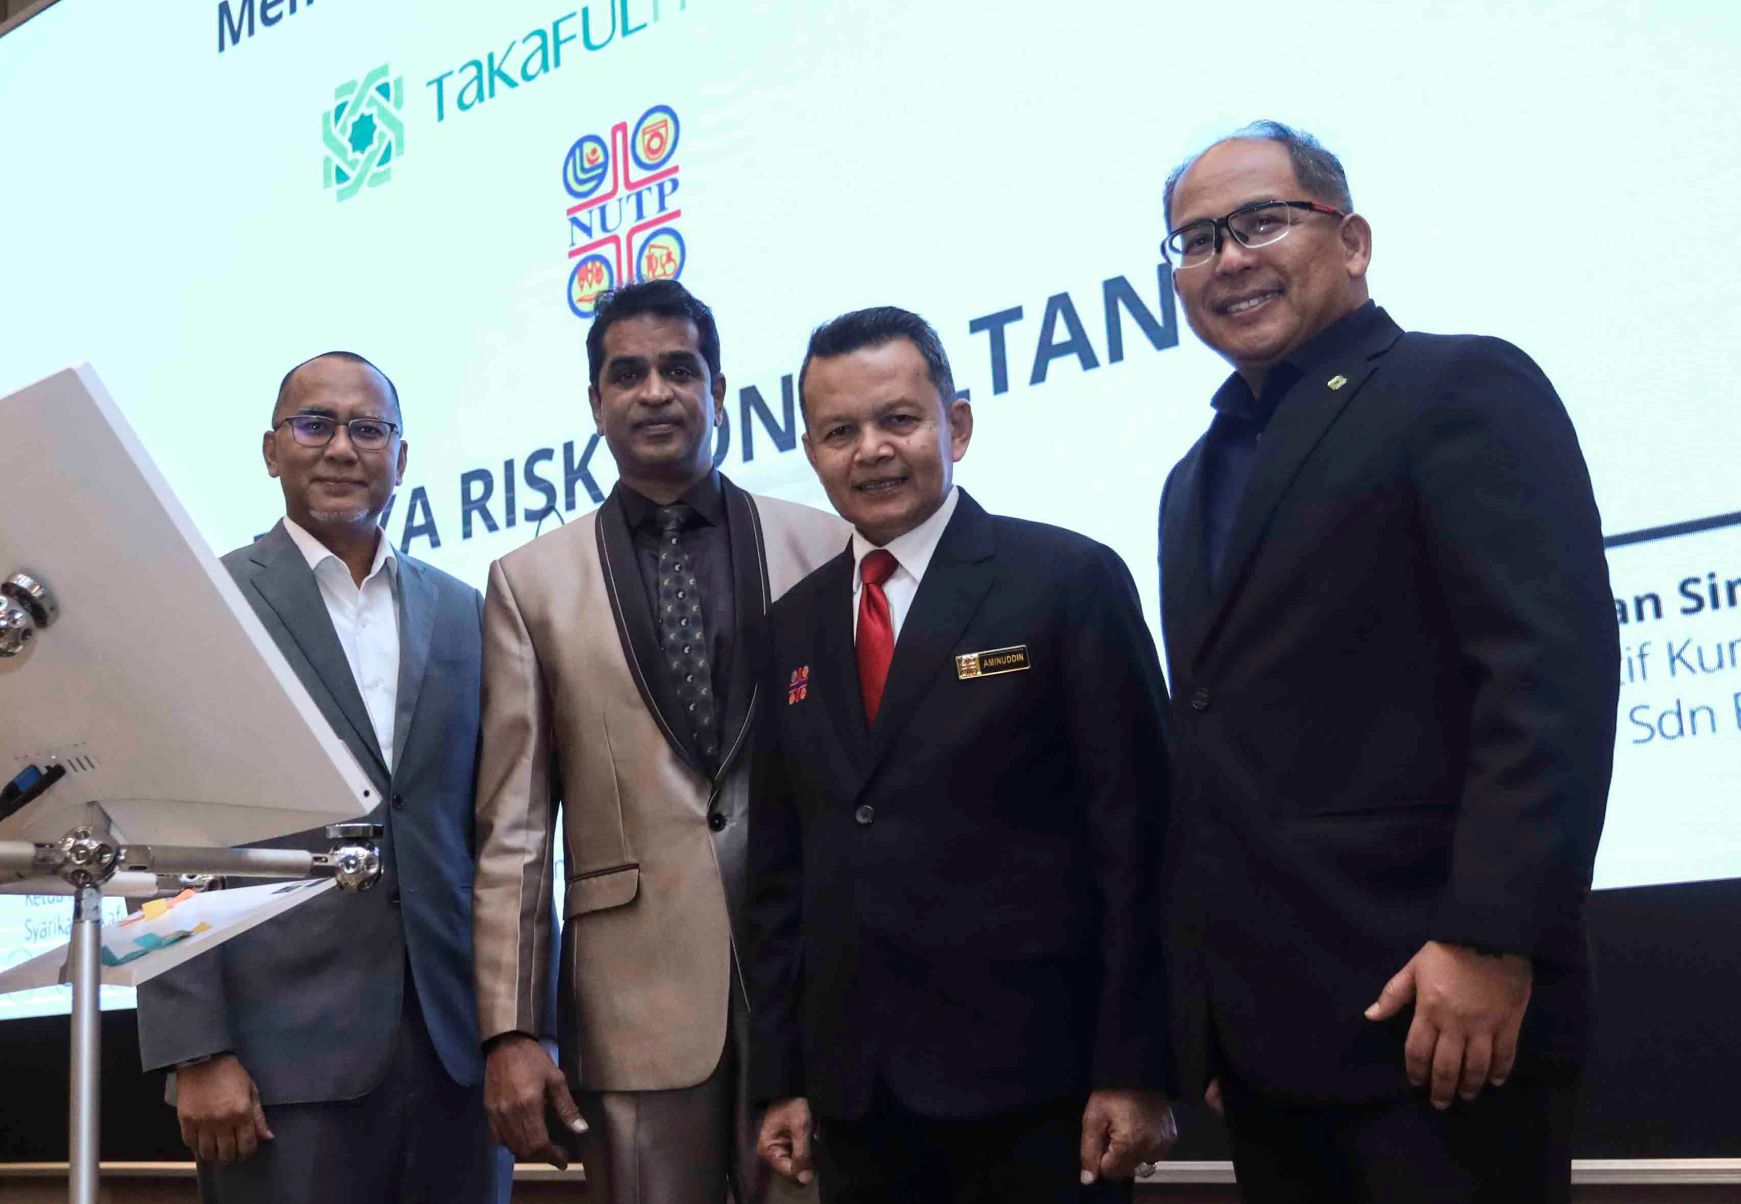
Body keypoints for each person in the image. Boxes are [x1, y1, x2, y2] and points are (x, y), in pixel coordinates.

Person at [1155, 121, 1620, 1202]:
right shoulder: (1190, 478)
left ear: (1352, 241)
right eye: (1195, 240)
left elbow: (1544, 679)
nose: (1226, 259)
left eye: (1260, 222)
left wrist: (1490, 939)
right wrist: (1208, 1010)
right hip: (1270, 1044)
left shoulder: (1456, 387)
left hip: (1442, 1014)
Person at [746, 306, 1178, 1203]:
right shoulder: (790, 626)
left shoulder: (1066, 580)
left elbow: (1140, 842)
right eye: (839, 432)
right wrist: (781, 1076)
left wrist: (1137, 1067)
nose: (871, 450)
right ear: (812, 452)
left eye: (899, 419)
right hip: (857, 1101)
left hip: (1042, 1091)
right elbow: (783, 872)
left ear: (958, 425)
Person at [472, 280, 845, 1203]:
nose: (654, 392)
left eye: (679, 369)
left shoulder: (825, 546)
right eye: (627, 374)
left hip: (815, 984)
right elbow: (516, 828)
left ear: (717, 389)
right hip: (631, 1003)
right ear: (594, 402)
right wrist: (512, 1029)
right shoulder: (530, 583)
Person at [137, 352, 510, 1203]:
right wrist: (195, 1046)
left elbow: (498, 832)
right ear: (272, 450)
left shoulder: (466, 611)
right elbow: (159, 837)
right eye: (315, 425)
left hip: (456, 1061)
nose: (343, 448)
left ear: (400, 459)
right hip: (277, 1070)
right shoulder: (207, 602)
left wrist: (517, 1030)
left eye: (368, 429)